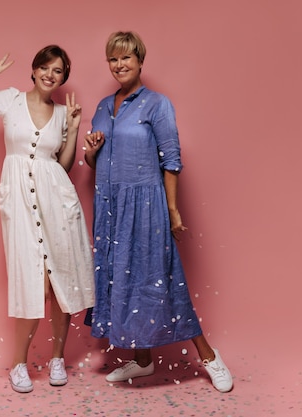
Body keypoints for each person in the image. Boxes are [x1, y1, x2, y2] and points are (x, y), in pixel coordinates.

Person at [83, 31, 233, 393]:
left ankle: (210, 358)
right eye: (113, 59)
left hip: (145, 205)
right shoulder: (103, 106)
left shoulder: (157, 104)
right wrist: (91, 149)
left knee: (160, 281)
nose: (119, 65)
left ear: (139, 61)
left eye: (126, 58)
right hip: (109, 206)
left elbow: (172, 160)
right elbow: (92, 161)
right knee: (123, 281)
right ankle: (145, 361)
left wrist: (173, 211)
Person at [0, 45, 95, 393]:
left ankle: (58, 357)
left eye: (58, 71)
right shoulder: (10, 100)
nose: (50, 74)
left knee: (61, 285)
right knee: (33, 282)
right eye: (45, 67)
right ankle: (18, 363)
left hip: (56, 201)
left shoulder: (62, 112)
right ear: (33, 70)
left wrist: (72, 130)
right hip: (19, 203)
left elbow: (63, 165)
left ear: (63, 78)